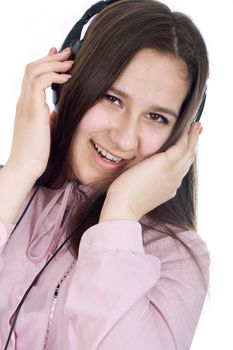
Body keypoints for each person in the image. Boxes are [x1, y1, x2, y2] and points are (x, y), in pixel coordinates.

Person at [0, 0, 210, 349]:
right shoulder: (8, 191)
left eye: (157, 117)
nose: (125, 138)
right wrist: (18, 172)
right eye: (113, 98)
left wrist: (120, 216)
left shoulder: (176, 258)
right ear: (67, 82)